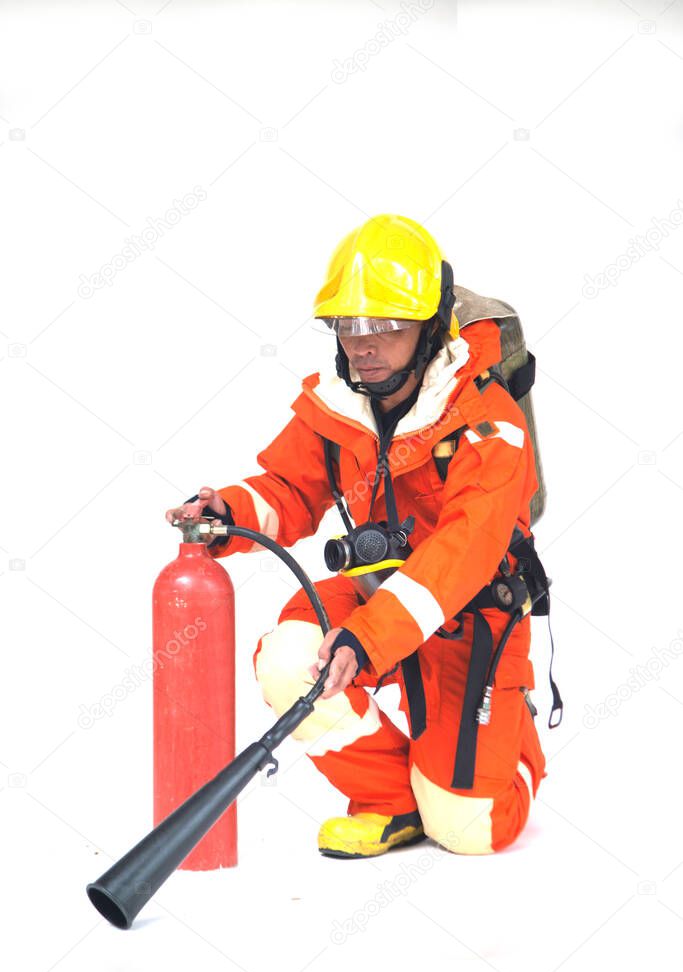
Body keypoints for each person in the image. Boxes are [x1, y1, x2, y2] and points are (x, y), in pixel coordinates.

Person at [165, 213, 548, 859]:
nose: (362, 345)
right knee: (291, 663)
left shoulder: (489, 425)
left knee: (469, 830)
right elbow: (288, 488)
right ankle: (390, 799)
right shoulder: (339, 404)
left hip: (466, 615)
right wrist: (225, 511)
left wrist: (366, 643)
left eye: (385, 329)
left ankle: (506, 746)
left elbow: (460, 556)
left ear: (428, 330)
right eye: (348, 327)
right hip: (374, 599)